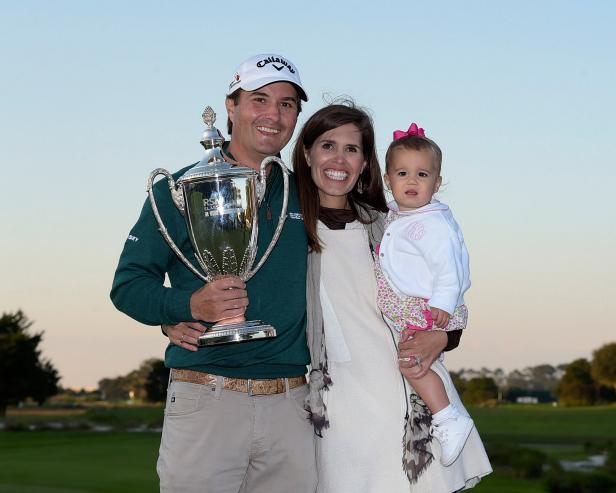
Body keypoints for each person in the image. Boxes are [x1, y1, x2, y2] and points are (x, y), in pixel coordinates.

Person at [110, 53, 317, 493]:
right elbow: (128, 285)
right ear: (231, 106)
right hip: (207, 395)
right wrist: (183, 305)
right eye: (259, 99)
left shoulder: (309, 194)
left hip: (292, 403)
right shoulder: (181, 190)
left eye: (286, 104)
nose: (273, 115)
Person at [294, 103, 491, 492]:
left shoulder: (391, 224)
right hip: (346, 408)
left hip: (415, 393)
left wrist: (444, 336)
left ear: (366, 163)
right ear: (307, 153)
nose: (339, 159)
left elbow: (444, 293)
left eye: (352, 149)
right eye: (327, 145)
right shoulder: (289, 229)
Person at [377, 123, 475, 466]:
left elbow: (450, 267)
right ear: (388, 178)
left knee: (412, 364)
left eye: (422, 174)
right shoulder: (401, 214)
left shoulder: (431, 223)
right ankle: (446, 415)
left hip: (430, 308)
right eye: (403, 173)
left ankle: (449, 418)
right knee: (414, 363)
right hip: (417, 305)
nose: (412, 181)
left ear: (437, 182)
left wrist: (442, 306)